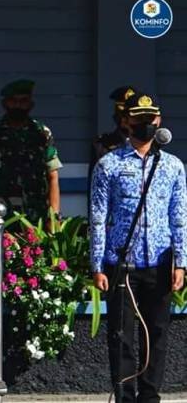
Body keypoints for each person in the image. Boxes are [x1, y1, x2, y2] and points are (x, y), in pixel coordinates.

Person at [90, 93, 185, 403]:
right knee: (121, 337)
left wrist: (181, 262)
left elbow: (179, 216)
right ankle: (125, 397)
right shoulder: (109, 163)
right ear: (126, 122)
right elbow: (98, 216)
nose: (145, 125)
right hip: (122, 264)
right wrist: (97, 265)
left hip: (160, 262)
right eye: (138, 119)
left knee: (157, 335)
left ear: (158, 123)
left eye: (150, 120)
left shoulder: (172, 166)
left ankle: (149, 396)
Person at [0, 79, 62, 224]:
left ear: (31, 104)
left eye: (23, 101)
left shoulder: (42, 134)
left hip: (34, 218)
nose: (18, 106)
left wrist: (54, 218)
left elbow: (53, 176)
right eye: (13, 101)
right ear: (5, 104)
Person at [88, 86, 137, 193]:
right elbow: (95, 188)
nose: (125, 118)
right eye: (122, 114)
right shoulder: (102, 145)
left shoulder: (147, 144)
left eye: (129, 115)